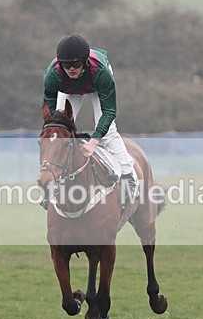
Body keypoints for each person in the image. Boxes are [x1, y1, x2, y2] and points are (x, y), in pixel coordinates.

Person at [42, 34, 138, 202]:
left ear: (85, 61)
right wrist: (55, 126)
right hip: (68, 88)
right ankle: (53, 180)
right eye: (66, 64)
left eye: (76, 64)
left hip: (94, 83)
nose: (71, 69)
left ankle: (128, 176)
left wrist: (94, 141)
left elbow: (109, 112)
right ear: (60, 63)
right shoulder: (53, 74)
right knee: (59, 130)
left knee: (108, 133)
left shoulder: (101, 73)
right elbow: (49, 106)